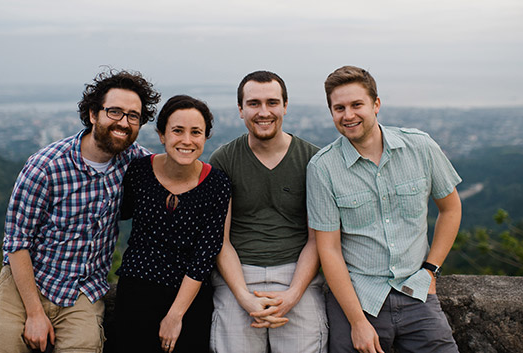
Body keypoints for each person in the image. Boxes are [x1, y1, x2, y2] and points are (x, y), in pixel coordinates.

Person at [0, 68, 161, 353]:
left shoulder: (137, 163)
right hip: (27, 281)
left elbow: (176, 172)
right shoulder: (46, 166)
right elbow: (17, 242)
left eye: (133, 116)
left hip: (83, 290)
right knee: (3, 346)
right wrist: (35, 313)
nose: (123, 123)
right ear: (92, 114)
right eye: (114, 112)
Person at [306, 65, 462, 353]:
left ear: (376, 104)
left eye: (356, 105)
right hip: (358, 300)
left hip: (415, 291)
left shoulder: (420, 147)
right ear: (331, 113)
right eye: (339, 108)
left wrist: (430, 270)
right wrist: (357, 322)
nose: (348, 115)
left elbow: (451, 208)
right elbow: (328, 249)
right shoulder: (323, 168)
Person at [209, 70, 328, 353]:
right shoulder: (224, 159)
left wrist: (293, 294)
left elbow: (316, 239)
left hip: (297, 274)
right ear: (241, 110)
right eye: (254, 104)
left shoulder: (313, 160)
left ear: (285, 106)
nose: (264, 112)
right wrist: (243, 296)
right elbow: (220, 240)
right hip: (238, 274)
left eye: (272, 102)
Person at [113, 95, 231, 353]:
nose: (186, 140)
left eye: (196, 132)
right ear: (161, 135)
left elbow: (205, 254)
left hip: (189, 297)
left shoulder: (217, 185)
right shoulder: (139, 172)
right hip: (136, 290)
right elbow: (118, 213)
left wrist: (175, 315)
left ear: (205, 138)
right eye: (177, 130)